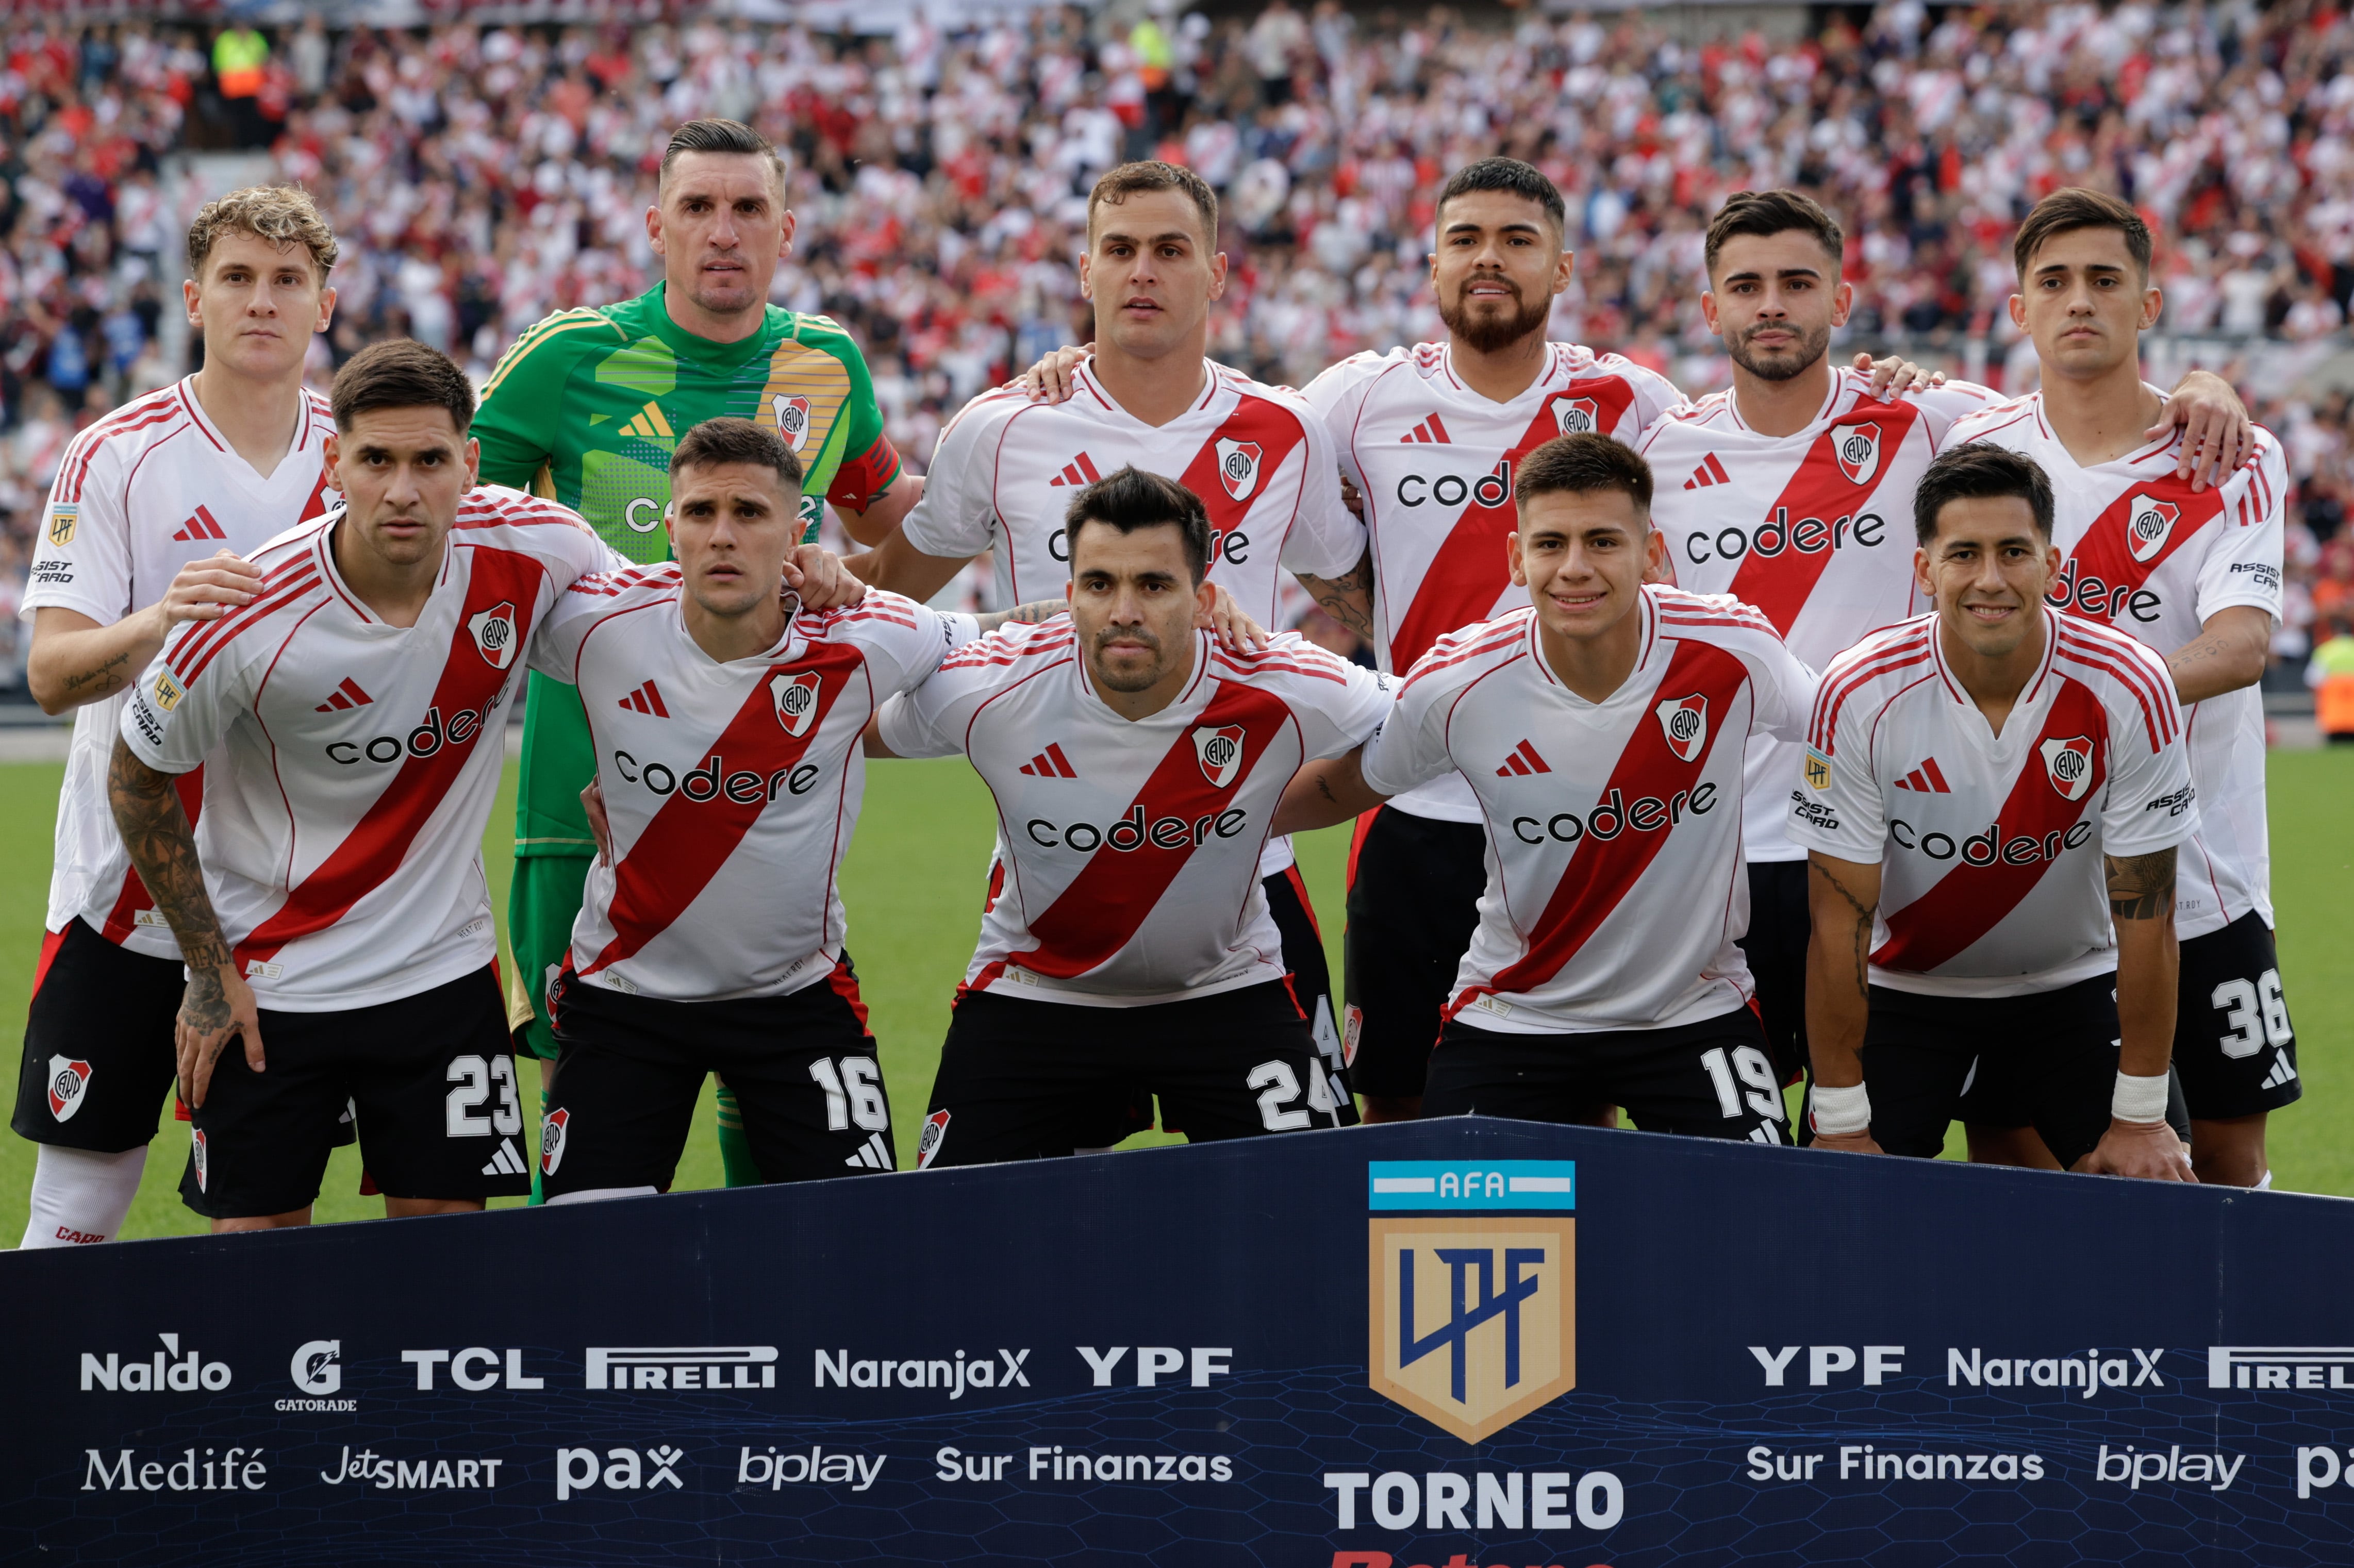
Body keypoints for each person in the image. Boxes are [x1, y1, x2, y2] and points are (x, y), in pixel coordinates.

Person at [1022, 159, 1929, 1123]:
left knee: (1616, 1077)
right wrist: (1085, 374)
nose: (1488, 259)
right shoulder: (1354, 398)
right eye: (1465, 239)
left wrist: (1894, 377)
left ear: (1564, 267)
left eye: (1517, 240)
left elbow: (1758, 439)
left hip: (1593, 803)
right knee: (1400, 1102)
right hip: (1416, 800)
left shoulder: (1637, 404)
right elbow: (1216, 427)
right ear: (1431, 263)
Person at [106, 340, 856, 1229]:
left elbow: (661, 637)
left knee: (450, 1265)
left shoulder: (539, 549)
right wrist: (205, 969)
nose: (402, 488)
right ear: (332, 464)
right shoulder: (248, 609)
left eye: (429, 460)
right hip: (274, 984)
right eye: (375, 460)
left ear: (469, 462)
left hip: (440, 975)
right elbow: (137, 778)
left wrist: (802, 576)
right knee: (258, 1255)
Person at [1642, 188, 2249, 1109]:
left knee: (1936, 1125)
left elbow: (2084, 397)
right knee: (1712, 1132)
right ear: (1709, 308)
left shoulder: (1931, 420)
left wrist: (2205, 390)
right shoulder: (1660, 452)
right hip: (1707, 852)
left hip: (1879, 850)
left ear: (1840, 303)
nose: (1771, 304)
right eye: (1748, 285)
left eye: (1797, 283)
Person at [850, 160, 1371, 1126]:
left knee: (1304, 1228)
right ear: (1084, 272)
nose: (1144, 272)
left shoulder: (1283, 428)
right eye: (1121, 251)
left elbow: (1369, 604)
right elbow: (880, 607)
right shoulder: (1002, 430)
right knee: (1001, 1244)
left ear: (1216, 274)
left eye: (1171, 250)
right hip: (1057, 878)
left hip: (1244, 877)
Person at [474, 119, 917, 1191]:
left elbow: (899, 522)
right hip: (583, 788)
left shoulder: (827, 364)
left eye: (748, 209)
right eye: (698, 209)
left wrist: (1020, 429)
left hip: (767, 777)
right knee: (587, 1074)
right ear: (655, 227)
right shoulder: (570, 355)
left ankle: (766, 1323)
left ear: (786, 229)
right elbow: (444, 516)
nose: (724, 232)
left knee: (768, 1064)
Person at [539, 419, 1056, 1199]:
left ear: (796, 531)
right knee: (587, 1252)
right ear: (668, 525)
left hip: (795, 994)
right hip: (625, 997)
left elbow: (1004, 637)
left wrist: (1190, 619)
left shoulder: (864, 633)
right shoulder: (596, 621)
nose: (722, 535)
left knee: (854, 1251)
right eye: (702, 512)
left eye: (749, 513)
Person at [1272, 434, 1814, 1141]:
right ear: (1515, 556)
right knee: (1447, 1225)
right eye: (1550, 543)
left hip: (1692, 1011)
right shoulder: (1459, 680)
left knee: (1755, 1228)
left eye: (1602, 542)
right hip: (1516, 1013)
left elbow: (1846, 726)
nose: (1574, 569)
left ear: (1652, 554)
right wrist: (1203, 823)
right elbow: (1345, 786)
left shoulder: (1733, 649)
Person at [869, 465, 1391, 1165]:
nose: (1123, 610)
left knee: (1315, 1217)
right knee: (951, 1237)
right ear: (1070, 596)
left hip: (1225, 989)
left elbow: (1422, 725)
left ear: (1203, 598)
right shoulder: (991, 684)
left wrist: (1286, 805)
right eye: (1099, 584)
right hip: (1035, 993)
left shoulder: (1273, 675)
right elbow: (842, 723)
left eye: (1153, 584)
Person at [12, 187, 342, 1249]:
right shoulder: (115, 454)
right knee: (79, 1213)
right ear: (194, 298)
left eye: (288, 279)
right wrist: (162, 619)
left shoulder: (364, 460)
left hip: (295, 904)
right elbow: (53, 673)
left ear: (323, 305)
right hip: (125, 890)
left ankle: (260, 1418)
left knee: (264, 1217)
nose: (263, 301)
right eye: (238, 278)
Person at [1950, 188, 2293, 1188]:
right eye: (2053, 283)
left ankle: (2224, 1353)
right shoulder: (1976, 453)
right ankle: (2049, 1350)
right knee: (2025, 1153)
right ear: (2018, 310)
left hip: (2203, 874)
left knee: (2227, 1158)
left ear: (2149, 303)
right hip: (2030, 879)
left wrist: (2082, 701)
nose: (2080, 302)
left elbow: (2237, 649)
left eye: (2106, 280)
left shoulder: (2230, 454)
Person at [1789, 443, 2197, 1181]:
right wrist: (1843, 1122)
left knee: (2158, 1215)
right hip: (1901, 993)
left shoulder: (2129, 686)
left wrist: (2140, 1115)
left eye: (2013, 552)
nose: (1989, 579)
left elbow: (2149, 914)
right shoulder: (1855, 692)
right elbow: (1835, 920)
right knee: (1831, 1222)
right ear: (1923, 570)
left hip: (2070, 988)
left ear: (2052, 563)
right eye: (1963, 554)